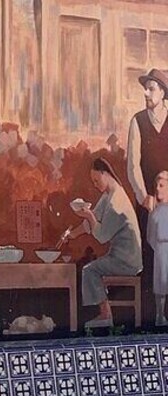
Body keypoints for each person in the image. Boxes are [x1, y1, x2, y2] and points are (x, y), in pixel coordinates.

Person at [59, 158, 143, 328]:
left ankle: (106, 315)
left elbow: (102, 236)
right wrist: (71, 234)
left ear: (105, 173)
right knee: (91, 268)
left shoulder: (116, 202)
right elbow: (92, 221)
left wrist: (89, 216)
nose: (95, 185)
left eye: (96, 180)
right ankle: (105, 315)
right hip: (120, 255)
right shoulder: (109, 195)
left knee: (89, 270)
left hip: (127, 260)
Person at [127, 68, 168, 213]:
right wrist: (144, 197)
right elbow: (133, 167)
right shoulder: (138, 121)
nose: (146, 93)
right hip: (147, 203)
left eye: (151, 89)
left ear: (162, 93)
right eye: (145, 89)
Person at [147, 171, 168, 326]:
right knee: (160, 283)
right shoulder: (154, 211)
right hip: (160, 250)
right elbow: (150, 235)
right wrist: (158, 248)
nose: (158, 189)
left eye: (162, 185)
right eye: (157, 185)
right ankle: (160, 316)